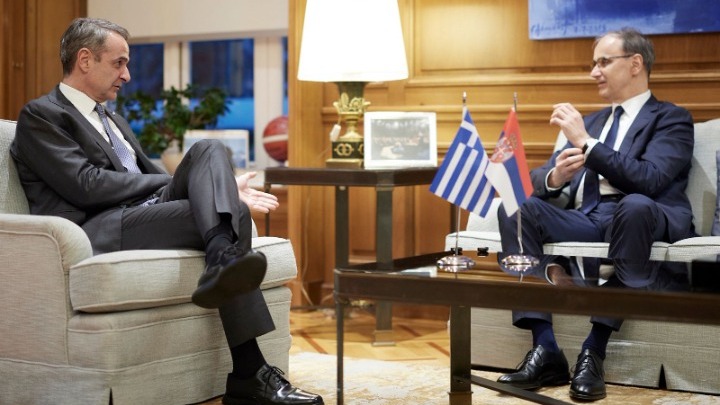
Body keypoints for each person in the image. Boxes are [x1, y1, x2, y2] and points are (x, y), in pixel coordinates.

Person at [10, 18, 323, 405]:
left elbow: (153, 178)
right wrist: (213, 194)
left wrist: (219, 190)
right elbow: (85, 184)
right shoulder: (42, 115)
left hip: (144, 215)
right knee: (235, 216)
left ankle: (223, 261)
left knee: (210, 150)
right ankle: (249, 372)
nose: (127, 75)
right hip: (99, 226)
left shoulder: (113, 119)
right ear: (85, 60)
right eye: (119, 63)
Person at [495, 28, 694, 401]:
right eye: (593, 64)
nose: (594, 72)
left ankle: (594, 350)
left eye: (604, 62)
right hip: (591, 218)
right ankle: (546, 348)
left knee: (635, 205)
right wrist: (556, 177)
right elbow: (537, 178)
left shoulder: (672, 119)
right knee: (514, 206)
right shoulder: (595, 121)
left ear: (635, 64)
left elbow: (649, 180)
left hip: (642, 217)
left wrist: (586, 142)